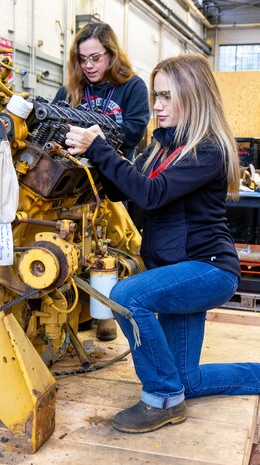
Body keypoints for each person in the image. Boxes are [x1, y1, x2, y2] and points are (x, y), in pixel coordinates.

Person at [64, 53, 260, 434]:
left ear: (194, 96)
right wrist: (95, 160)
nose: (156, 105)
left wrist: (102, 150)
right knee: (187, 379)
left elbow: (152, 195)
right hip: (175, 270)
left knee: (124, 296)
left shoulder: (208, 150)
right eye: (156, 95)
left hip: (208, 269)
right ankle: (180, 389)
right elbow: (129, 193)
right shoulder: (162, 146)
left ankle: (163, 399)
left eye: (167, 96)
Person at [53, 21, 150, 341]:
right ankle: (80, 308)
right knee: (73, 242)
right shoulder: (71, 90)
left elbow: (134, 131)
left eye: (95, 58)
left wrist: (91, 134)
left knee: (114, 246)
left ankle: (106, 312)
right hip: (74, 181)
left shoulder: (132, 87)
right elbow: (53, 123)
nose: (89, 66)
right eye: (83, 59)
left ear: (111, 53)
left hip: (116, 184)